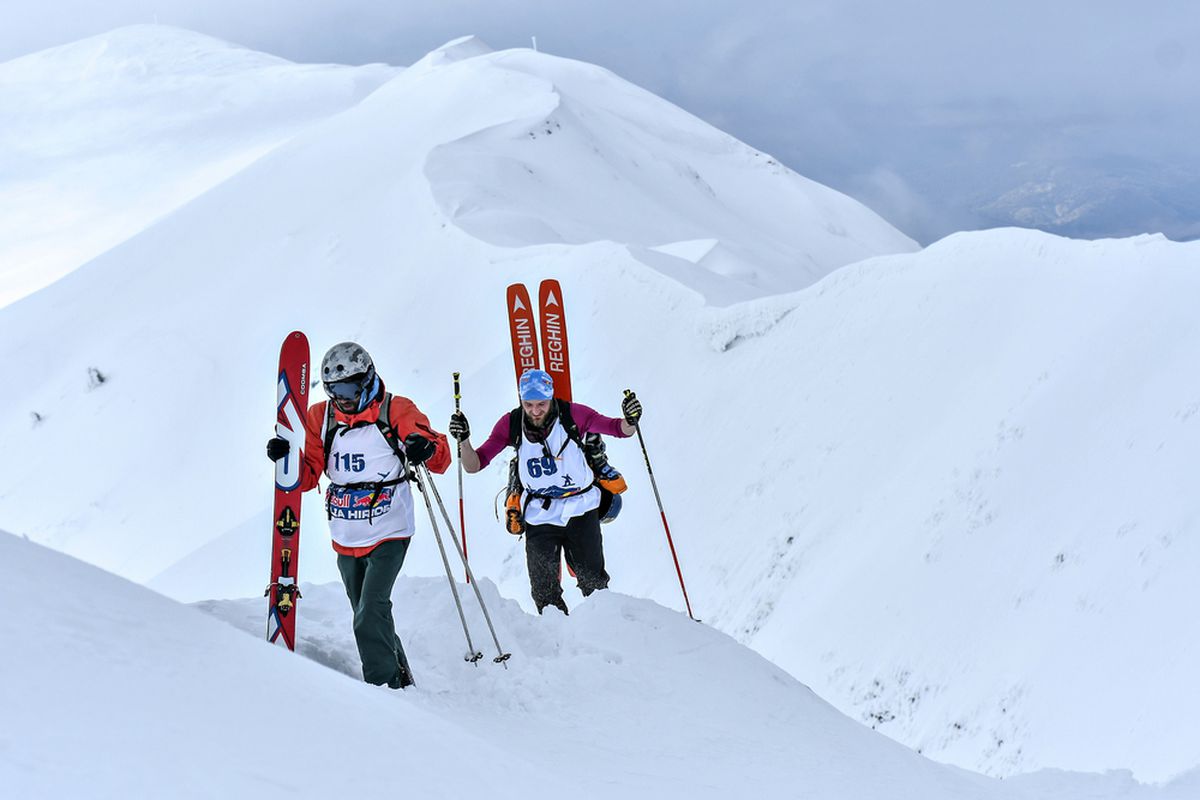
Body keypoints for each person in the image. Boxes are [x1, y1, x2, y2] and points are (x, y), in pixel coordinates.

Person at [266, 342, 450, 689]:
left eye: (349, 388)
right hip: (346, 534)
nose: (342, 398)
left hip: (389, 528)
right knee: (368, 614)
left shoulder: (396, 409)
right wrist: (285, 460)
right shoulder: (322, 417)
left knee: (369, 614)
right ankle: (404, 682)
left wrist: (425, 448)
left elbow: (440, 455)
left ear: (366, 380)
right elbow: (308, 476)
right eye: (333, 390)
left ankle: (385, 693)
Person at [449, 368, 642, 615]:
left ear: (551, 397)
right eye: (528, 404)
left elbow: (618, 429)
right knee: (544, 594)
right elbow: (474, 464)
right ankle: (560, 645)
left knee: (594, 584)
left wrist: (630, 419)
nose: (535, 410)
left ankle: (604, 632)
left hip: (581, 509)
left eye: (541, 403)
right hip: (539, 515)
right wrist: (463, 440)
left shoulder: (573, 414)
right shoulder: (511, 424)